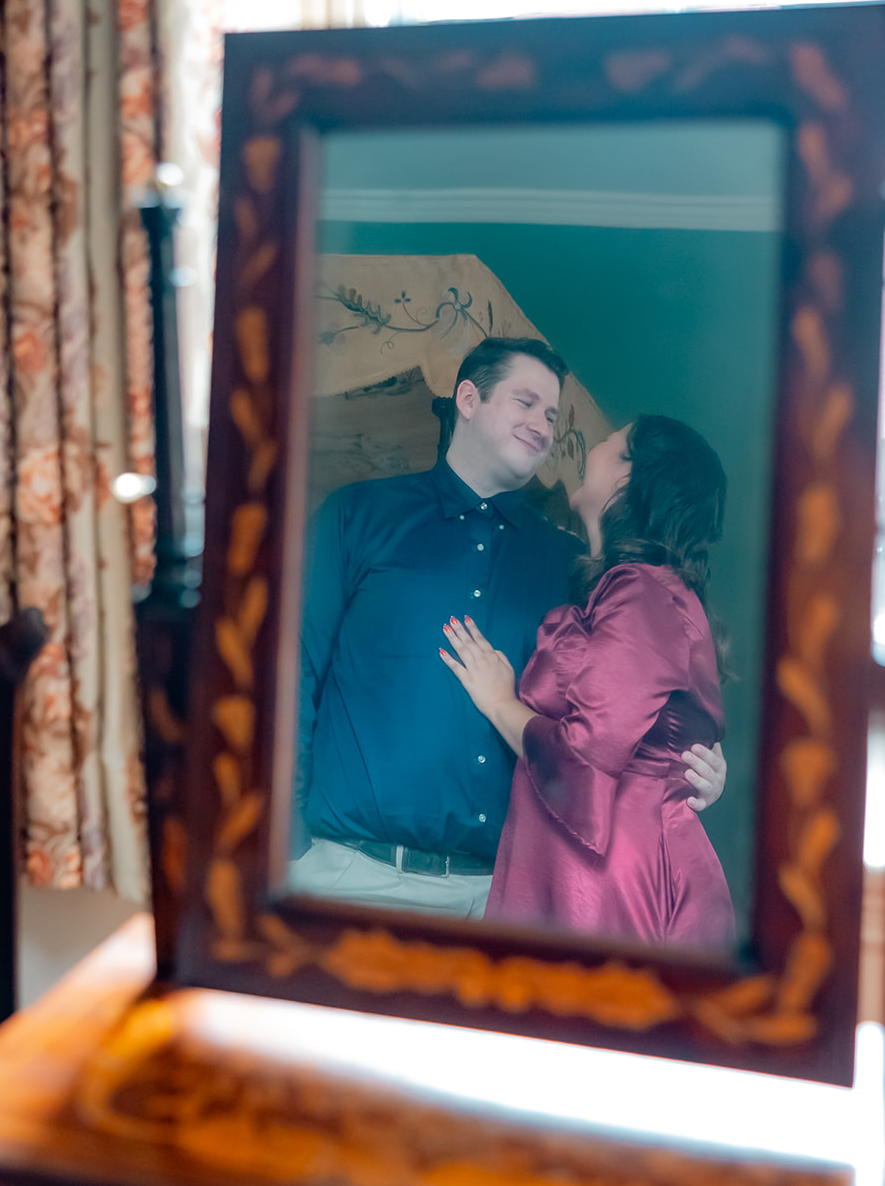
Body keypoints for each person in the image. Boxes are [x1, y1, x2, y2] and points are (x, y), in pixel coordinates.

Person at [292, 340, 726, 918]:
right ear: (468, 399)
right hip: (347, 875)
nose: (543, 427)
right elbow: (293, 670)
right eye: (526, 402)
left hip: (498, 896)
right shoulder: (358, 515)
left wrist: (689, 770)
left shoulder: (575, 568)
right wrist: (285, 842)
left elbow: (615, 713)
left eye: (551, 415)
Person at [440, 414, 735, 947]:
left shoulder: (642, 592)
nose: (587, 450)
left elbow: (584, 756)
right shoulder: (617, 587)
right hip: (575, 857)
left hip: (606, 871)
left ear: (627, 478)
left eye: (606, 443)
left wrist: (500, 703)